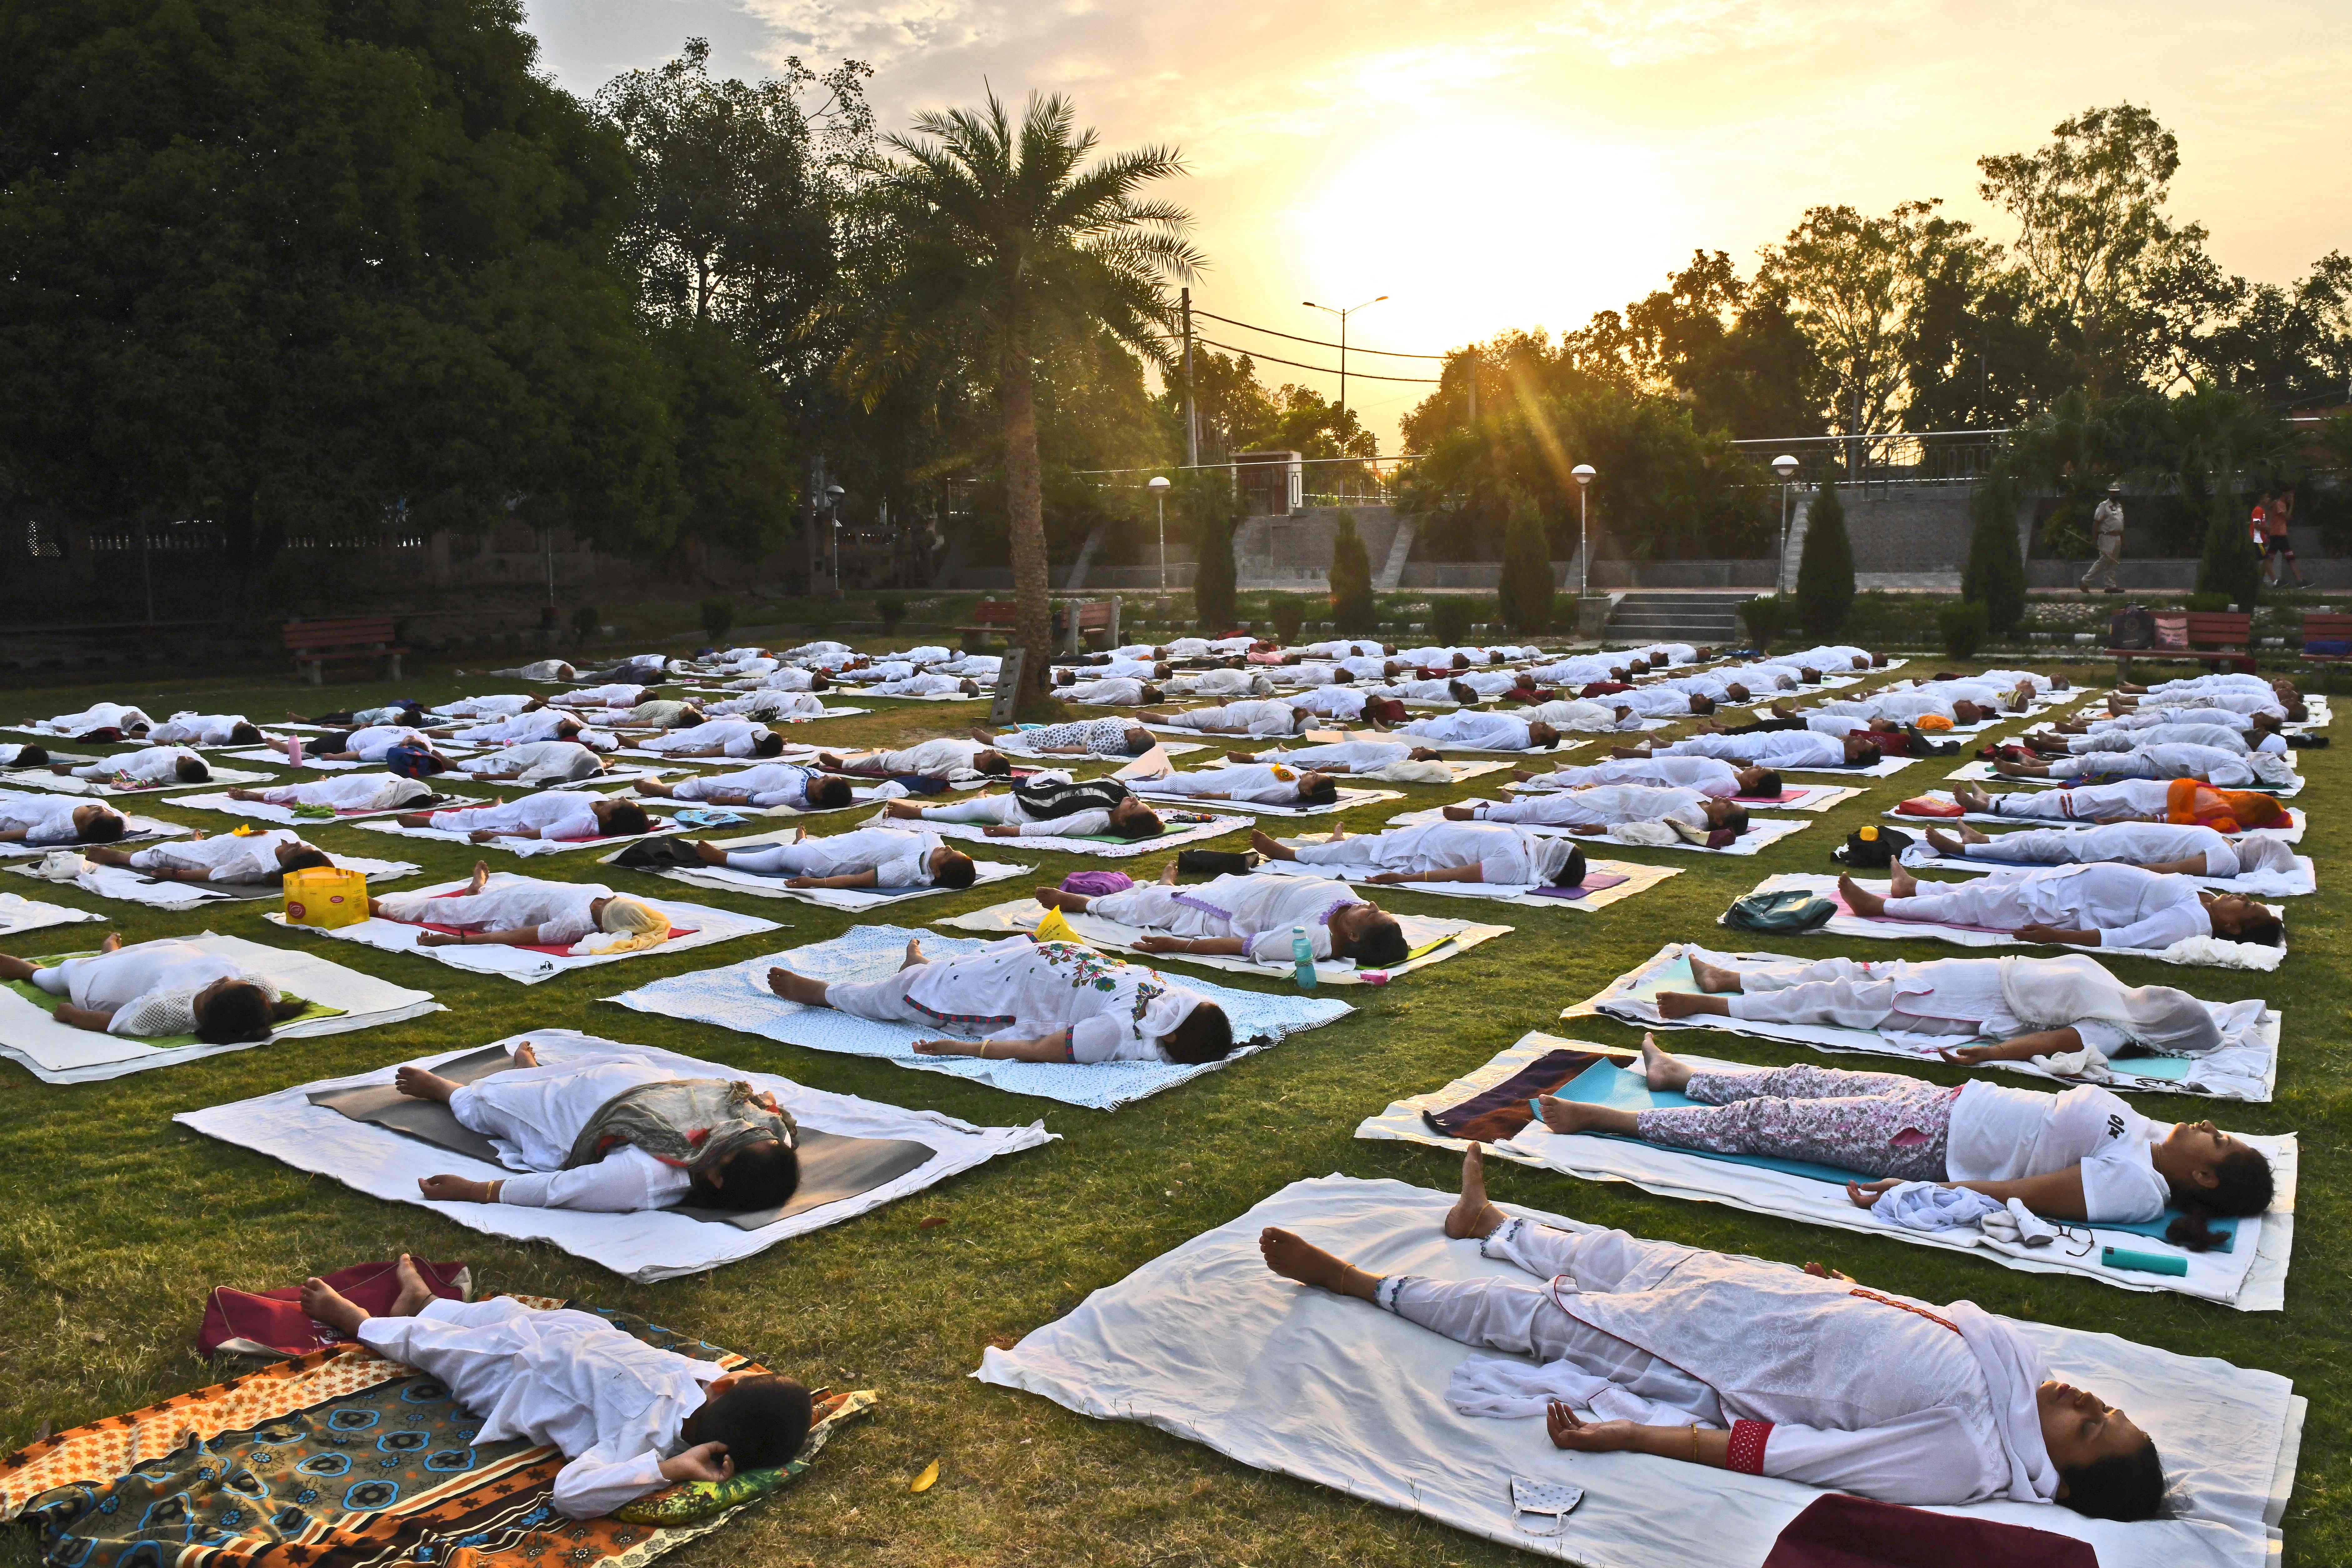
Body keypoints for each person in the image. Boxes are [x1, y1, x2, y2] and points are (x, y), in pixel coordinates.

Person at [1259, 1144, 2170, 1518]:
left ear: (2059, 1474)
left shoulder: (1971, 1455)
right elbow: (1932, 1324)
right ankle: (1491, 1225)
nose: (2088, 1401)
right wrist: (1852, 1288)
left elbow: (1794, 1454)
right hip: (1775, 1297)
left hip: (1729, 1357)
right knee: (1621, 1252)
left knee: (1536, 1322)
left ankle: (1362, 1283)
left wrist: (1636, 1432)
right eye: (2108, 1406)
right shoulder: (2022, 1371)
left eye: (2091, 1427)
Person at [1535, 1037, 2271, 1252]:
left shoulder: (2139, 1187)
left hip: (1927, 1142)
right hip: (1947, 1102)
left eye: (2220, 1137)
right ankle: (1681, 1075)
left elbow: (2024, 1195)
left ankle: (1605, 1121)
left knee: (1769, 1121)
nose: (2209, 1124)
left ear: (2204, 1176)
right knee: (1806, 1078)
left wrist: (1921, 1192)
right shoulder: (2146, 1134)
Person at [297, 1255, 812, 1519]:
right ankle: (426, 1299)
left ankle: (361, 1321)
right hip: (567, 1333)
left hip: (514, 1376)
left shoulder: (645, 1445)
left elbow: (570, 1494)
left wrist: (665, 1468)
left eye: (743, 1378)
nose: (734, 1371)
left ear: (724, 1389)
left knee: (437, 1346)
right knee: (493, 1312)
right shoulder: (702, 1384)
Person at [388, 1041, 802, 1213]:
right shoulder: (769, 1133)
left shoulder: (650, 1176)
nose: (728, 1134)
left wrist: (477, 1191)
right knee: (605, 1071)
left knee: (486, 1103)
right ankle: (531, 1072)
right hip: (640, 1080)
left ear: (714, 1178)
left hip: (582, 1110)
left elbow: (561, 1189)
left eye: (723, 1149)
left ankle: (447, 1091)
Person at [1651, 950, 2231, 1065]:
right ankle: (1738, 976)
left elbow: (2053, 1043)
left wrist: (1989, 1054)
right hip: (1971, 974)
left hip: (1963, 1004)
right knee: (1854, 970)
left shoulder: (2107, 1031)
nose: (2159, 992)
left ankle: (1717, 1004)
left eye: (2167, 1004)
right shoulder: (2113, 987)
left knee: (1842, 1000)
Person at [767, 934, 1234, 1064]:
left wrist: (966, 1050)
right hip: (1035, 958)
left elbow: (1035, 1050)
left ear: (1172, 1037)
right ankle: (922, 969)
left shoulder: (1113, 1034)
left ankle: (826, 994)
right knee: (988, 954)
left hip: (1017, 994)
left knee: (909, 995)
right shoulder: (1178, 999)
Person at [1841, 860, 2283, 949]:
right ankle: (1912, 887)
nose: (2240, 897)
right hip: (2066, 882)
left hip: (2061, 907)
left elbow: (2121, 938)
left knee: (1972, 903)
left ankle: (1880, 908)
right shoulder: (2201, 904)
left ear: (2234, 930)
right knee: (1986, 882)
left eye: (2245, 908)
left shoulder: (2188, 922)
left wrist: (2056, 936)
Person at [1036, 864, 1410, 967]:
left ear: (1355, 938)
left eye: (1372, 915)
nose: (1372, 905)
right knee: (1162, 895)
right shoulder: (1350, 907)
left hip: (1223, 914)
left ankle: (1081, 903)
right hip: (1241, 888)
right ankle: (1162, 885)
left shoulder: (1312, 941)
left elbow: (1243, 945)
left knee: (1148, 906)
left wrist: (1177, 945)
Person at [0, 932, 303, 1041]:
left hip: (97, 980)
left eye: (219, 987)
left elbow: (112, 1022)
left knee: (44, 977)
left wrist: (69, 1014)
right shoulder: (260, 991)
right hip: (154, 955)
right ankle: (112, 951)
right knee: (119, 958)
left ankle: (31, 968)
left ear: (211, 1001)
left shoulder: (166, 1011)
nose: (224, 979)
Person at [370, 860, 673, 951]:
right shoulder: (580, 918)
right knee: (444, 909)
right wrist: (458, 939)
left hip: (518, 900)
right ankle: (384, 909)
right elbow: (512, 936)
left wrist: (457, 940)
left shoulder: (598, 897)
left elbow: (513, 937)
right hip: (514, 901)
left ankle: (476, 890)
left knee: (449, 910)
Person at [1251, 820, 1590, 889]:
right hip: (1427, 835)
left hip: (1421, 854)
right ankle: (1332, 844)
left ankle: (1294, 855)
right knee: (1364, 844)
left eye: (1557, 850)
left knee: (1360, 850)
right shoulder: (1529, 844)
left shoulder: (1514, 866)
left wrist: (1406, 879)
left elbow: (1459, 874)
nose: (1553, 843)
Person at [1922, 819, 2301, 881]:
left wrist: (2121, 864)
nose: (2257, 838)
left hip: (2124, 848)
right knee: (2050, 837)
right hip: (2126, 836)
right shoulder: (2226, 846)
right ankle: (1984, 840)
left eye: (2263, 845)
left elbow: (2165, 869)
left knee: (2045, 846)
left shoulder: (2223, 861)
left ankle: (1965, 850)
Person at [1950, 777, 2292, 834]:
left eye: (2256, 800)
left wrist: (2121, 819)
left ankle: (1989, 806)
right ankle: (1994, 800)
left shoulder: (2224, 816)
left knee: (2060, 805)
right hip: (2135, 790)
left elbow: (2172, 820)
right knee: (2059, 798)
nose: (2249, 794)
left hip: (2132, 804)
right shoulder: (2225, 798)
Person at [690, 826, 977, 890]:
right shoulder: (935, 845)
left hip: (833, 859)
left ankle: (725, 859)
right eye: (952, 849)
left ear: (937, 874)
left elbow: (860, 879)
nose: (947, 849)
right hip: (849, 841)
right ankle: (804, 844)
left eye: (948, 856)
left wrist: (818, 883)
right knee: (806, 847)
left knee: (784, 855)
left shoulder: (907, 870)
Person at [880, 776, 1165, 840]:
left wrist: (1011, 832)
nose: (1132, 800)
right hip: (1040, 796)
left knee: (969, 812)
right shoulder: (1117, 801)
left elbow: (1051, 829)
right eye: (1136, 800)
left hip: (1021, 809)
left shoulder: (1095, 821)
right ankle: (980, 798)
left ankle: (918, 812)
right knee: (1062, 777)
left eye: (1134, 806)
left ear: (1125, 822)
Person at [1446, 784, 1748, 837]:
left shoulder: (1694, 817)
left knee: (1538, 814)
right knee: (1548, 804)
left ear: (1720, 819)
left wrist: (1604, 830)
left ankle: (1477, 814)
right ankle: (1516, 802)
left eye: (1727, 804)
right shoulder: (1699, 800)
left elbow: (1652, 827)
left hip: (1606, 813)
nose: (1723, 797)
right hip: (1610, 797)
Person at [1993, 741, 2296, 790]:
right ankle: (2036, 765)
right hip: (2156, 754)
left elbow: (2202, 780)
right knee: (2095, 758)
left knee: (2093, 761)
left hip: (2153, 762)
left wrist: (2157, 790)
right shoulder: (2240, 761)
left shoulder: (2241, 771)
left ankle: (2029, 770)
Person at [83, 828, 333, 885]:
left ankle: (122, 857)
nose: (301, 843)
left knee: (162, 853)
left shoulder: (256, 865)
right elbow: (248, 832)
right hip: (226, 841)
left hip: (209, 857)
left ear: (292, 861)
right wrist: (237, 833)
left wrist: (176, 875)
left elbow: (216, 874)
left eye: (300, 848)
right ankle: (197, 843)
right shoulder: (291, 837)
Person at [398, 793, 652, 844]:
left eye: (620, 802)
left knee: (477, 819)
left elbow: (538, 835)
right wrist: (645, 822)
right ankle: (498, 807)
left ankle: (425, 820)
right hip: (530, 804)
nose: (619, 797)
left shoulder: (584, 822)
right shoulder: (601, 807)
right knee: (492, 814)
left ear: (609, 815)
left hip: (526, 816)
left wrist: (495, 836)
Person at [1516, 756, 1781, 799]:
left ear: (1755, 783)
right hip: (1656, 767)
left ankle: (1547, 779)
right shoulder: (1733, 774)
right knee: (1612, 769)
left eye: (1759, 770)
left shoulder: (1728, 784)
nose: (1756, 766)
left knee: (1607, 775)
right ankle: (1567, 772)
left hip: (1656, 779)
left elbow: (1690, 791)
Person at [633, 762, 853, 811]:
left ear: (822, 794)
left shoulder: (793, 795)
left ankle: (660, 790)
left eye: (826, 780)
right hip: (756, 772)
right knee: (721, 780)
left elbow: (759, 800)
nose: (824, 776)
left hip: (749, 785)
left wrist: (726, 801)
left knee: (704, 785)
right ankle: (721, 779)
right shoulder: (817, 778)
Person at [1634, 729, 1884, 770]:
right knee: (1708, 742)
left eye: (1863, 744)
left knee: (1706, 746)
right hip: (1763, 739)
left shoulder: (1831, 755)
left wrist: (1752, 764)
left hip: (1761, 750)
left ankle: (1652, 754)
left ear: (1855, 756)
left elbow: (1792, 760)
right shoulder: (1837, 745)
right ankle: (1669, 747)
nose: (1859, 738)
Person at [1132, 763, 1341, 807]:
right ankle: (1164, 780)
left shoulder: (1285, 792)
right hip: (1239, 772)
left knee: (1190, 783)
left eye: (1314, 777)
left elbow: (1245, 795)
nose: (1312, 773)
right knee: (1200, 776)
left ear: (1308, 791)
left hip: (1236, 781)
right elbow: (1275, 769)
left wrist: (1212, 796)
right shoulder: (1295, 779)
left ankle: (1134, 786)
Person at [816, 737, 1012, 782]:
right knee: (887, 755)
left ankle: (842, 764)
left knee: (882, 759)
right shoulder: (978, 750)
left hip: (912, 761)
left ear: (986, 764)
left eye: (993, 754)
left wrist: (904, 773)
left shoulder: (963, 765)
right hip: (920, 750)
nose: (991, 750)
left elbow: (931, 774)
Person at [228, 774, 441, 814]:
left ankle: (256, 795)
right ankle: (257, 795)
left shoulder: (391, 787)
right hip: (343, 785)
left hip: (342, 787)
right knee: (300, 791)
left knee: (298, 791)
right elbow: (349, 802)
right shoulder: (384, 792)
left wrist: (328, 803)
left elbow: (350, 801)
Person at [452, 739, 609, 785]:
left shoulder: (587, 755)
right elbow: (525, 774)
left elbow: (525, 774)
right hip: (527, 753)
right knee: (487, 763)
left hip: (534, 751)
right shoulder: (560, 766)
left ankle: (450, 763)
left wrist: (488, 777)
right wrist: (488, 777)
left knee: (488, 764)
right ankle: (450, 763)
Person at [1388, 711, 1564, 752]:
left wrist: (1445, 745)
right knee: (1422, 725)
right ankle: (1389, 732)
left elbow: (1481, 745)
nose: (1542, 723)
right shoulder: (1526, 727)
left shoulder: (1515, 737)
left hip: (1452, 732)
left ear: (1538, 739)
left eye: (1545, 727)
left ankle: (1386, 736)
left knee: (1417, 731)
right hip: (1459, 720)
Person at [0, 791, 126, 845]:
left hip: (18, 814)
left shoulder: (60, 828)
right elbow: (125, 817)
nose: (100, 808)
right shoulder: (120, 821)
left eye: (98, 814)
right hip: (37, 802)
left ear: (88, 825)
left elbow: (14, 834)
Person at [51, 746, 209, 787]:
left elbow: (127, 778)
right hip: (133, 756)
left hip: (118, 764)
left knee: (81, 772)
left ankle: (69, 770)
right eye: (188, 758)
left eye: (182, 761)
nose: (183, 756)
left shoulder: (160, 768)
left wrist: (104, 781)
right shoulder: (201, 764)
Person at [1149, 700, 1307, 739]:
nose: (1305, 711)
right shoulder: (1289, 711)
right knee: (1201, 715)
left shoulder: (1278, 723)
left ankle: (1163, 719)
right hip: (1236, 708)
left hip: (1230, 719)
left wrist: (1219, 731)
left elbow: (1245, 730)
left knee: (1195, 718)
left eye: (1306, 715)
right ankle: (1184, 714)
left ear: (1300, 721)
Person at [1004, 717, 1160, 755]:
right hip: (1074, 727)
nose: (1139, 727)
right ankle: (1023, 734)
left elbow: (1083, 749)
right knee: (1052, 729)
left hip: (1069, 737)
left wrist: (1052, 752)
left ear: (1134, 741)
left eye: (1142, 731)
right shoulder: (1128, 728)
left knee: (1040, 737)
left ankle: (997, 740)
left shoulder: (1116, 743)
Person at [2081, 482, 2125, 594]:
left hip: (2117, 537)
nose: (2115, 494)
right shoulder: (2103, 506)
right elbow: (2096, 523)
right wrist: (2094, 539)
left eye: (2117, 492)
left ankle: (2110, 586)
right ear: (2109, 493)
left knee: (2113, 562)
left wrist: (2122, 538)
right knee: (2104, 560)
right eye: (2113, 492)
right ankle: (2085, 582)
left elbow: (2120, 523)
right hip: (2106, 537)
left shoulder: (2119, 507)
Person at [143, 713, 266, 747]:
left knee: (148, 736)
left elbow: (194, 739)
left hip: (181, 728)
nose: (247, 723)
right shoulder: (242, 720)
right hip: (186, 723)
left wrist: (169, 743)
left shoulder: (218, 734)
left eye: (246, 725)